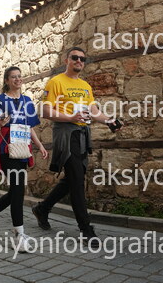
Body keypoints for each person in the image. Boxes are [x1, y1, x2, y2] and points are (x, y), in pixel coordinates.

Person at [32, 47, 121, 248]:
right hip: (66, 134)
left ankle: (42, 208)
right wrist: (71, 117)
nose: (79, 61)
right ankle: (85, 229)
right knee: (78, 181)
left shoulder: (85, 86)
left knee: (73, 178)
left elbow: (94, 111)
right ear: (67, 60)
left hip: (82, 135)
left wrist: (109, 120)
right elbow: (45, 111)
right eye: (75, 57)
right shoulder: (56, 82)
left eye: (82, 58)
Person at [0, 66, 48, 252]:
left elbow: (30, 127)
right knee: (18, 189)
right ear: (7, 80)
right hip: (7, 149)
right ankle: (18, 235)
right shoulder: (0, 100)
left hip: (23, 150)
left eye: (19, 76)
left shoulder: (27, 101)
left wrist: (40, 145)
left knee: (16, 191)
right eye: (13, 77)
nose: (18, 79)